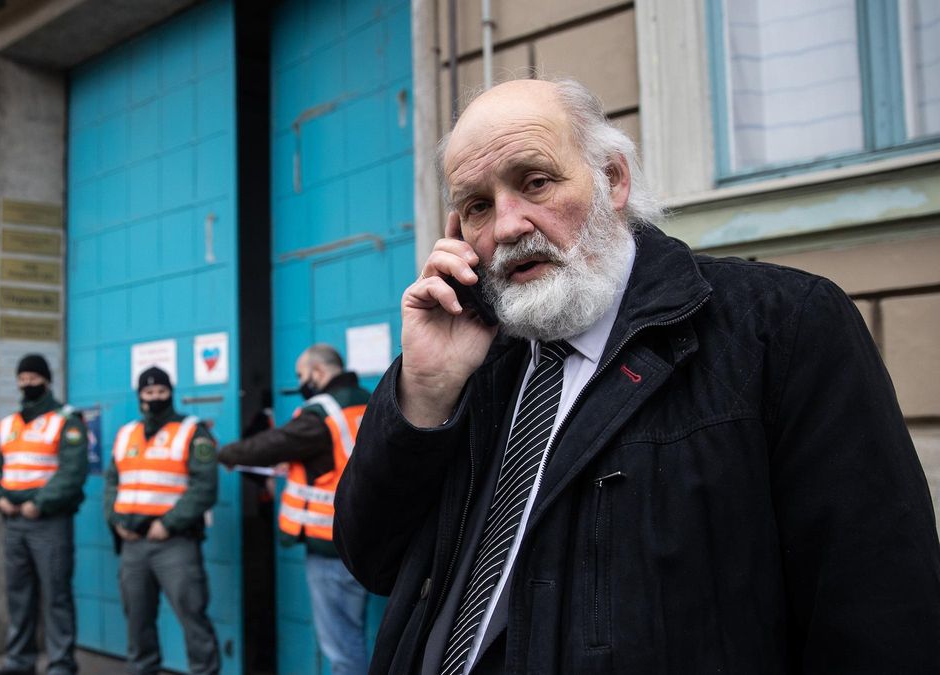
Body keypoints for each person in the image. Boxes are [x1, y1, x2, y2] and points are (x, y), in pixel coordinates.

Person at [333, 77, 940, 674]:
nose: (508, 226)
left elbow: (877, 611)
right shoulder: (473, 360)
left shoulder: (778, 327)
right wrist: (426, 390)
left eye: (536, 182)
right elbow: (374, 561)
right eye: (477, 207)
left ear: (613, 180)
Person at [217, 345, 371, 675]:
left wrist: (228, 454)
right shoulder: (368, 400)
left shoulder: (322, 412)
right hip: (369, 535)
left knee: (342, 643)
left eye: (302, 376)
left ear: (317, 372)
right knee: (355, 633)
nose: (301, 383)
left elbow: (273, 444)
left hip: (331, 545)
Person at [105, 367, 220, 675]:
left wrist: (168, 523)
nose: (154, 398)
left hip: (174, 542)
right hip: (132, 544)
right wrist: (116, 520)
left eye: (161, 392)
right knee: (137, 622)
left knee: (192, 617)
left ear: (171, 393)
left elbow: (205, 486)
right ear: (139, 396)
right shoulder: (126, 433)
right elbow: (112, 483)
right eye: (148, 392)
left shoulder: (192, 430)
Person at [0, 354, 88, 675]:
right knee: (19, 595)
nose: (27, 383)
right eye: (22, 378)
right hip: (13, 521)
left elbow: (72, 472)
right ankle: (19, 661)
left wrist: (39, 503)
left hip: (48, 522)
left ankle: (61, 664)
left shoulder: (66, 420)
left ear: (47, 380)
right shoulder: (7, 424)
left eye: (33, 377)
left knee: (56, 594)